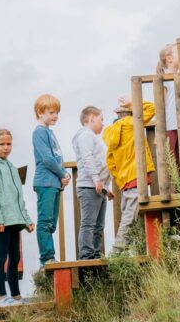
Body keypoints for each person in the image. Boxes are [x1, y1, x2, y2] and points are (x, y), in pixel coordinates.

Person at [0, 129, 35, 306]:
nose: (5, 147)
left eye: (8, 144)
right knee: (1, 256)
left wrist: (26, 219)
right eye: (1, 144)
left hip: (15, 220)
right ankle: (2, 297)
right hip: (2, 222)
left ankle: (16, 296)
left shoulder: (11, 167)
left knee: (15, 258)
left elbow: (18, 197)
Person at [104, 97, 156, 252]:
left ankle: (130, 250)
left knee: (130, 214)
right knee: (130, 216)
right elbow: (151, 108)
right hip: (136, 175)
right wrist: (132, 102)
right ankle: (117, 252)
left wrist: (121, 180)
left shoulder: (110, 133)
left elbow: (111, 163)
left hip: (125, 182)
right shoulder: (130, 123)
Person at [32, 94, 70, 267]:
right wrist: (63, 174)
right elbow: (47, 159)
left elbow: (55, 157)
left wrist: (63, 176)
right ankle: (46, 258)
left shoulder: (49, 132)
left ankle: (49, 256)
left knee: (52, 223)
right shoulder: (39, 132)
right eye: (52, 112)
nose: (55, 116)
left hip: (54, 183)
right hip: (45, 182)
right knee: (45, 221)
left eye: (57, 113)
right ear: (40, 112)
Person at [72, 106, 112, 260]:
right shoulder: (85, 135)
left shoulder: (92, 137)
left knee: (98, 226)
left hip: (99, 188)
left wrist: (106, 187)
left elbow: (99, 161)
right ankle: (87, 256)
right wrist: (96, 178)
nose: (103, 123)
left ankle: (95, 254)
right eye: (101, 119)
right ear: (92, 117)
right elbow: (87, 158)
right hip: (89, 186)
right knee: (89, 224)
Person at [156, 43, 180, 172]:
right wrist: (159, 130)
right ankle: (174, 190)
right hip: (169, 126)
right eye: (179, 51)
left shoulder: (178, 77)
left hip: (179, 125)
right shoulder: (164, 78)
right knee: (171, 162)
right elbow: (161, 105)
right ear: (169, 58)